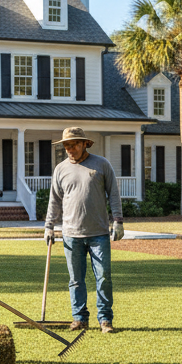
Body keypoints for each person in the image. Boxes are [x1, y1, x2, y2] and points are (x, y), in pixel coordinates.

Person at [43, 126, 124, 333]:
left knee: (104, 276)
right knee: (75, 280)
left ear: (85, 144)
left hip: (99, 233)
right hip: (71, 234)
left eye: (74, 144)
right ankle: (79, 319)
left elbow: (113, 194)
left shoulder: (101, 164)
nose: (70, 149)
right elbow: (54, 200)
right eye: (67, 145)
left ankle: (105, 320)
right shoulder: (60, 169)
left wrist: (118, 221)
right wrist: (49, 226)